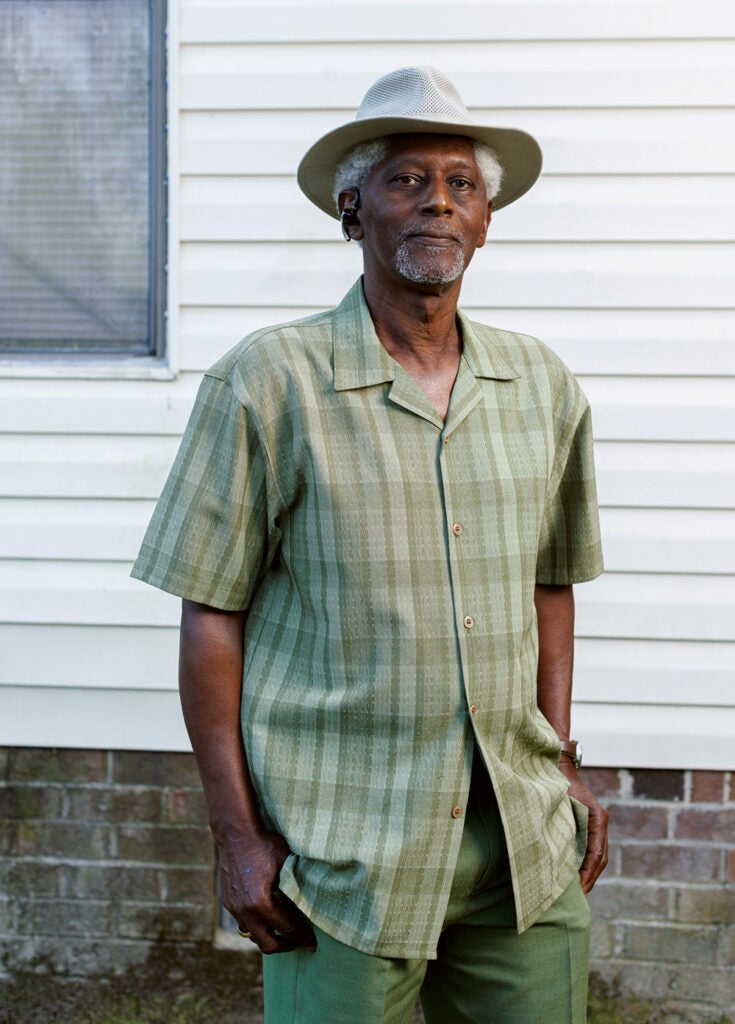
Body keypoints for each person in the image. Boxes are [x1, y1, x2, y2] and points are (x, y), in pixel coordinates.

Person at [132, 66, 608, 1024]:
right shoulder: (268, 383)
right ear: (352, 211)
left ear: (485, 219)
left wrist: (559, 758)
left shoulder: (541, 385)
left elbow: (550, 586)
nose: (437, 200)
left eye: (460, 184)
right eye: (405, 180)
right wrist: (236, 835)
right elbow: (210, 614)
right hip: (342, 851)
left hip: (518, 842)